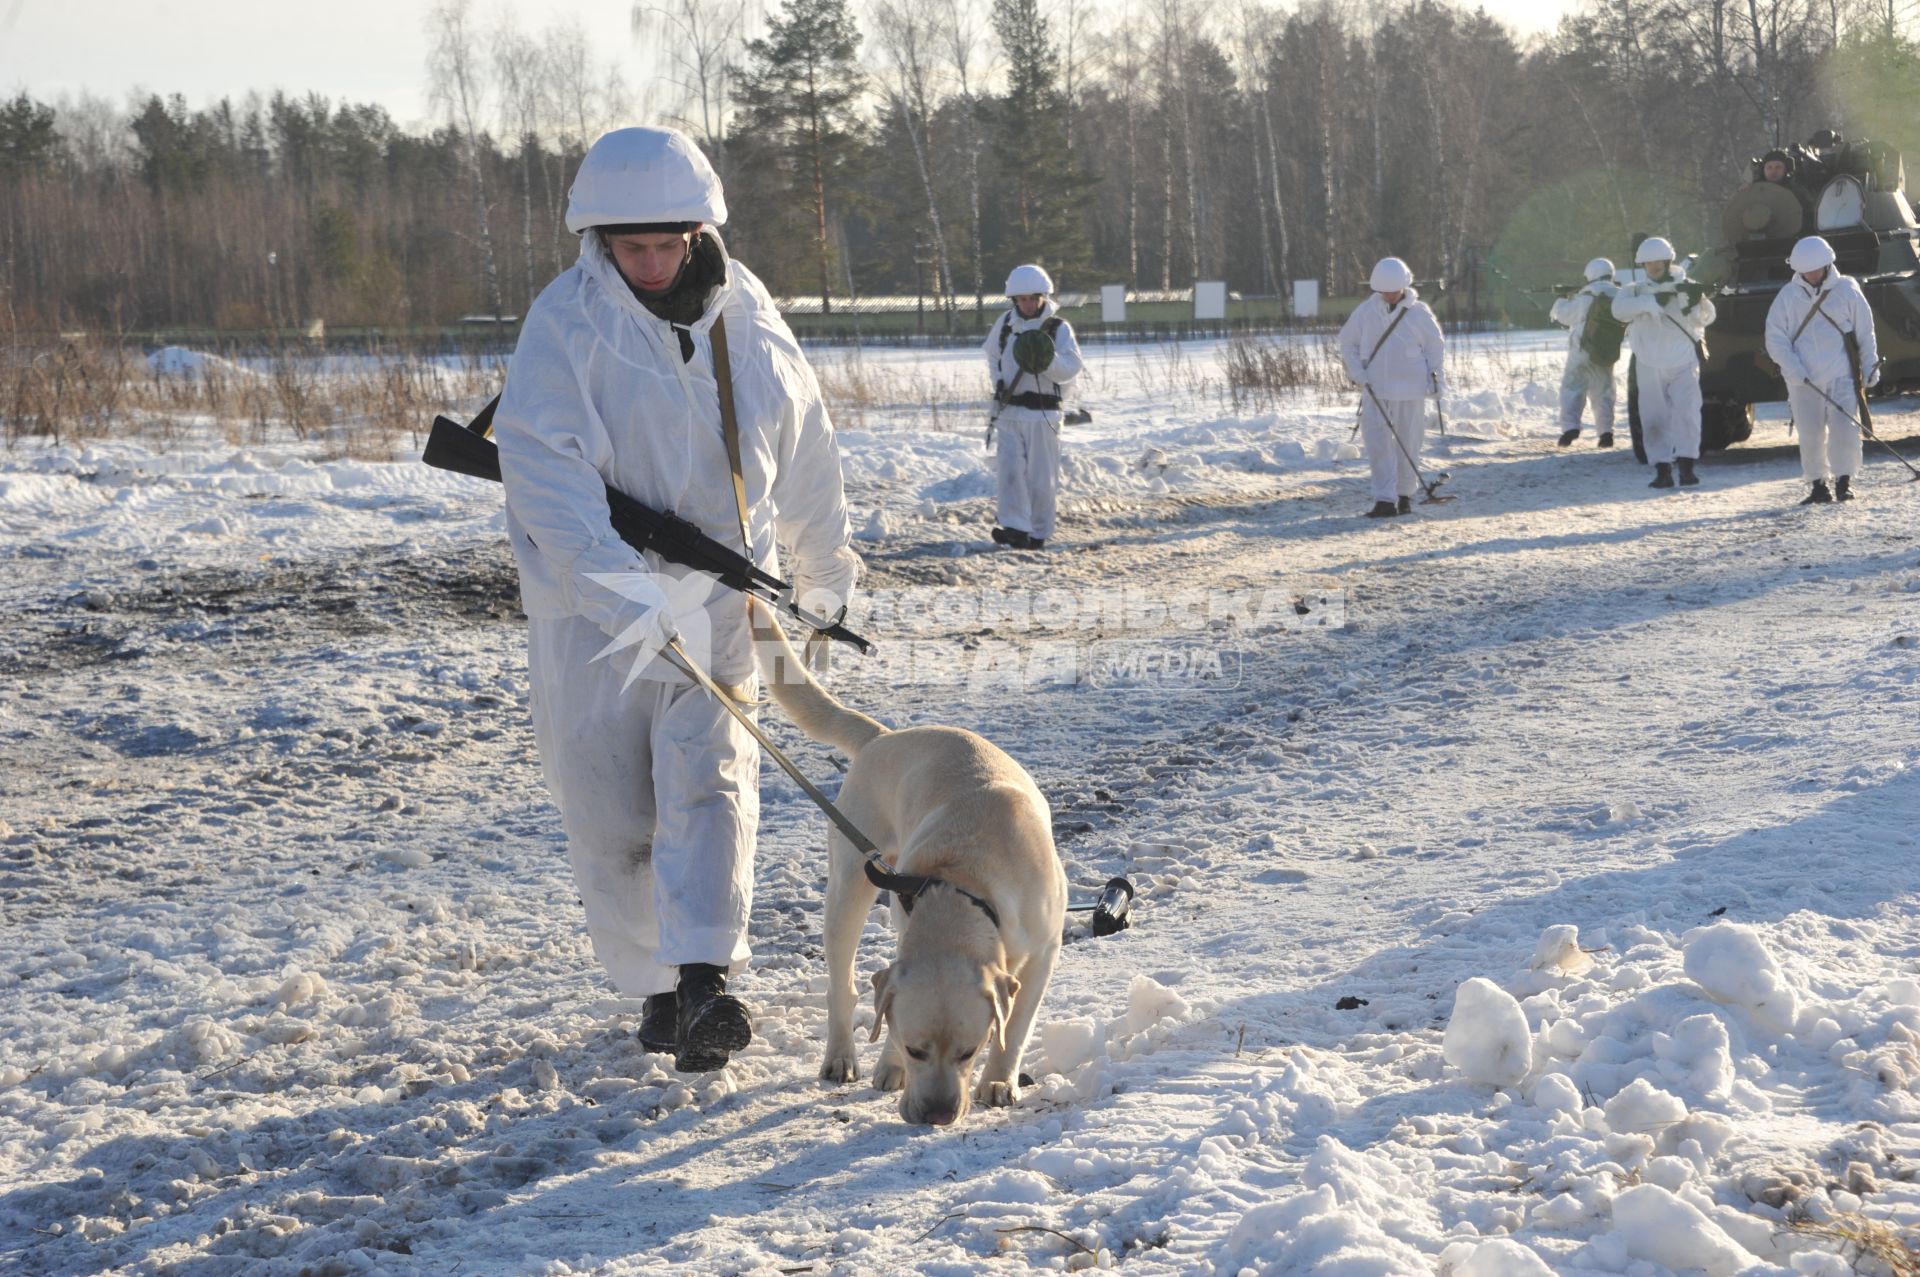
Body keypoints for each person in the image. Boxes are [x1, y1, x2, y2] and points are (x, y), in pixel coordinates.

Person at [492, 126, 861, 1074]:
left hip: (719, 600)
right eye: (632, 248)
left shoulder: (754, 322)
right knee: (610, 806)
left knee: (712, 782)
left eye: (668, 245)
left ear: (698, 231)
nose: (652, 265)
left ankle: (705, 979)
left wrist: (823, 577)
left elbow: (807, 452)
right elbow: (549, 489)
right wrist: (625, 599)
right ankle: (655, 987)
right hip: (591, 615)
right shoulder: (564, 329)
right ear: (600, 239)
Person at [1764, 235, 1880, 505]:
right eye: (1805, 271)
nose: (1811, 275)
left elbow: (1865, 332)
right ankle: (1817, 485)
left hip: (1841, 374)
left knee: (1845, 429)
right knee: (1811, 432)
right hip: (1803, 379)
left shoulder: (1847, 290)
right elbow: (1775, 339)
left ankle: (1844, 481)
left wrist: (1870, 365)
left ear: (1828, 265)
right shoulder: (1787, 297)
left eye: (1815, 269)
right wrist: (1793, 370)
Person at [984, 264, 1083, 550]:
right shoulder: (1005, 324)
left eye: (1032, 298)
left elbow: (1072, 367)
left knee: (1041, 476)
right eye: (1021, 299)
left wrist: (1046, 361)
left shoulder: (1057, 328)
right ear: (1014, 300)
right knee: (1010, 471)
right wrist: (999, 380)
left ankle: (1039, 531)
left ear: (1042, 297)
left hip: (1043, 413)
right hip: (1010, 411)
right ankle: (1015, 527)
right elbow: (992, 355)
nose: (1027, 304)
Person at [1338, 256, 1446, 517]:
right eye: (1384, 291)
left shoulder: (1419, 313)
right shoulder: (1365, 312)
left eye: (1393, 291)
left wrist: (1436, 378)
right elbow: (1347, 343)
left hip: (1411, 389)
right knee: (1378, 445)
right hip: (1376, 389)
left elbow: (1435, 347)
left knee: (1408, 443)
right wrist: (1358, 373)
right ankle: (1384, 500)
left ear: (1404, 286)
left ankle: (1404, 495)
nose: (1389, 296)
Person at [1611, 237, 1714, 490]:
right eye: (1648, 262)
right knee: (1653, 417)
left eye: (1657, 261)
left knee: (1687, 413)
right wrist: (1649, 303)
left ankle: (1687, 466)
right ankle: (1662, 469)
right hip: (1649, 362)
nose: (1653, 266)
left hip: (1682, 360)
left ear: (1667, 261)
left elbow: (1708, 317)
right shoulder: (1634, 290)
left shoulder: (1686, 286)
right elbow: (1618, 310)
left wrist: (1692, 303)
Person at [1549, 257, 1622, 448]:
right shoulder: (1618, 295)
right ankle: (1606, 433)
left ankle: (1570, 428)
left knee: (1573, 387)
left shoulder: (1586, 295)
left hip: (1582, 350)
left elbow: (1564, 315)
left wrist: (1562, 297)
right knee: (1604, 392)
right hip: (1605, 351)